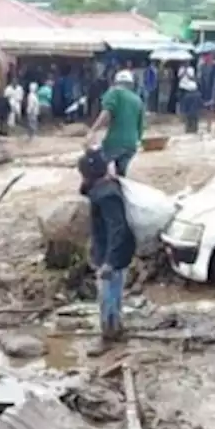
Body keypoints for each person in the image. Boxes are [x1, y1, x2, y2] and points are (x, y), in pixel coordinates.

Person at [78, 150, 135, 352]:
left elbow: (116, 228)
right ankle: (115, 329)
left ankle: (109, 336)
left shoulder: (106, 195)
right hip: (114, 252)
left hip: (112, 256)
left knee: (108, 296)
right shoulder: (105, 188)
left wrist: (109, 261)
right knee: (114, 293)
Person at [85, 70, 145, 178]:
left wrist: (93, 130)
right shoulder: (137, 99)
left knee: (101, 167)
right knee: (121, 174)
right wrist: (137, 140)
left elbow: (107, 113)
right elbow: (140, 126)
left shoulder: (115, 93)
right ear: (131, 84)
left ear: (116, 82)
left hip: (115, 141)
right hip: (131, 144)